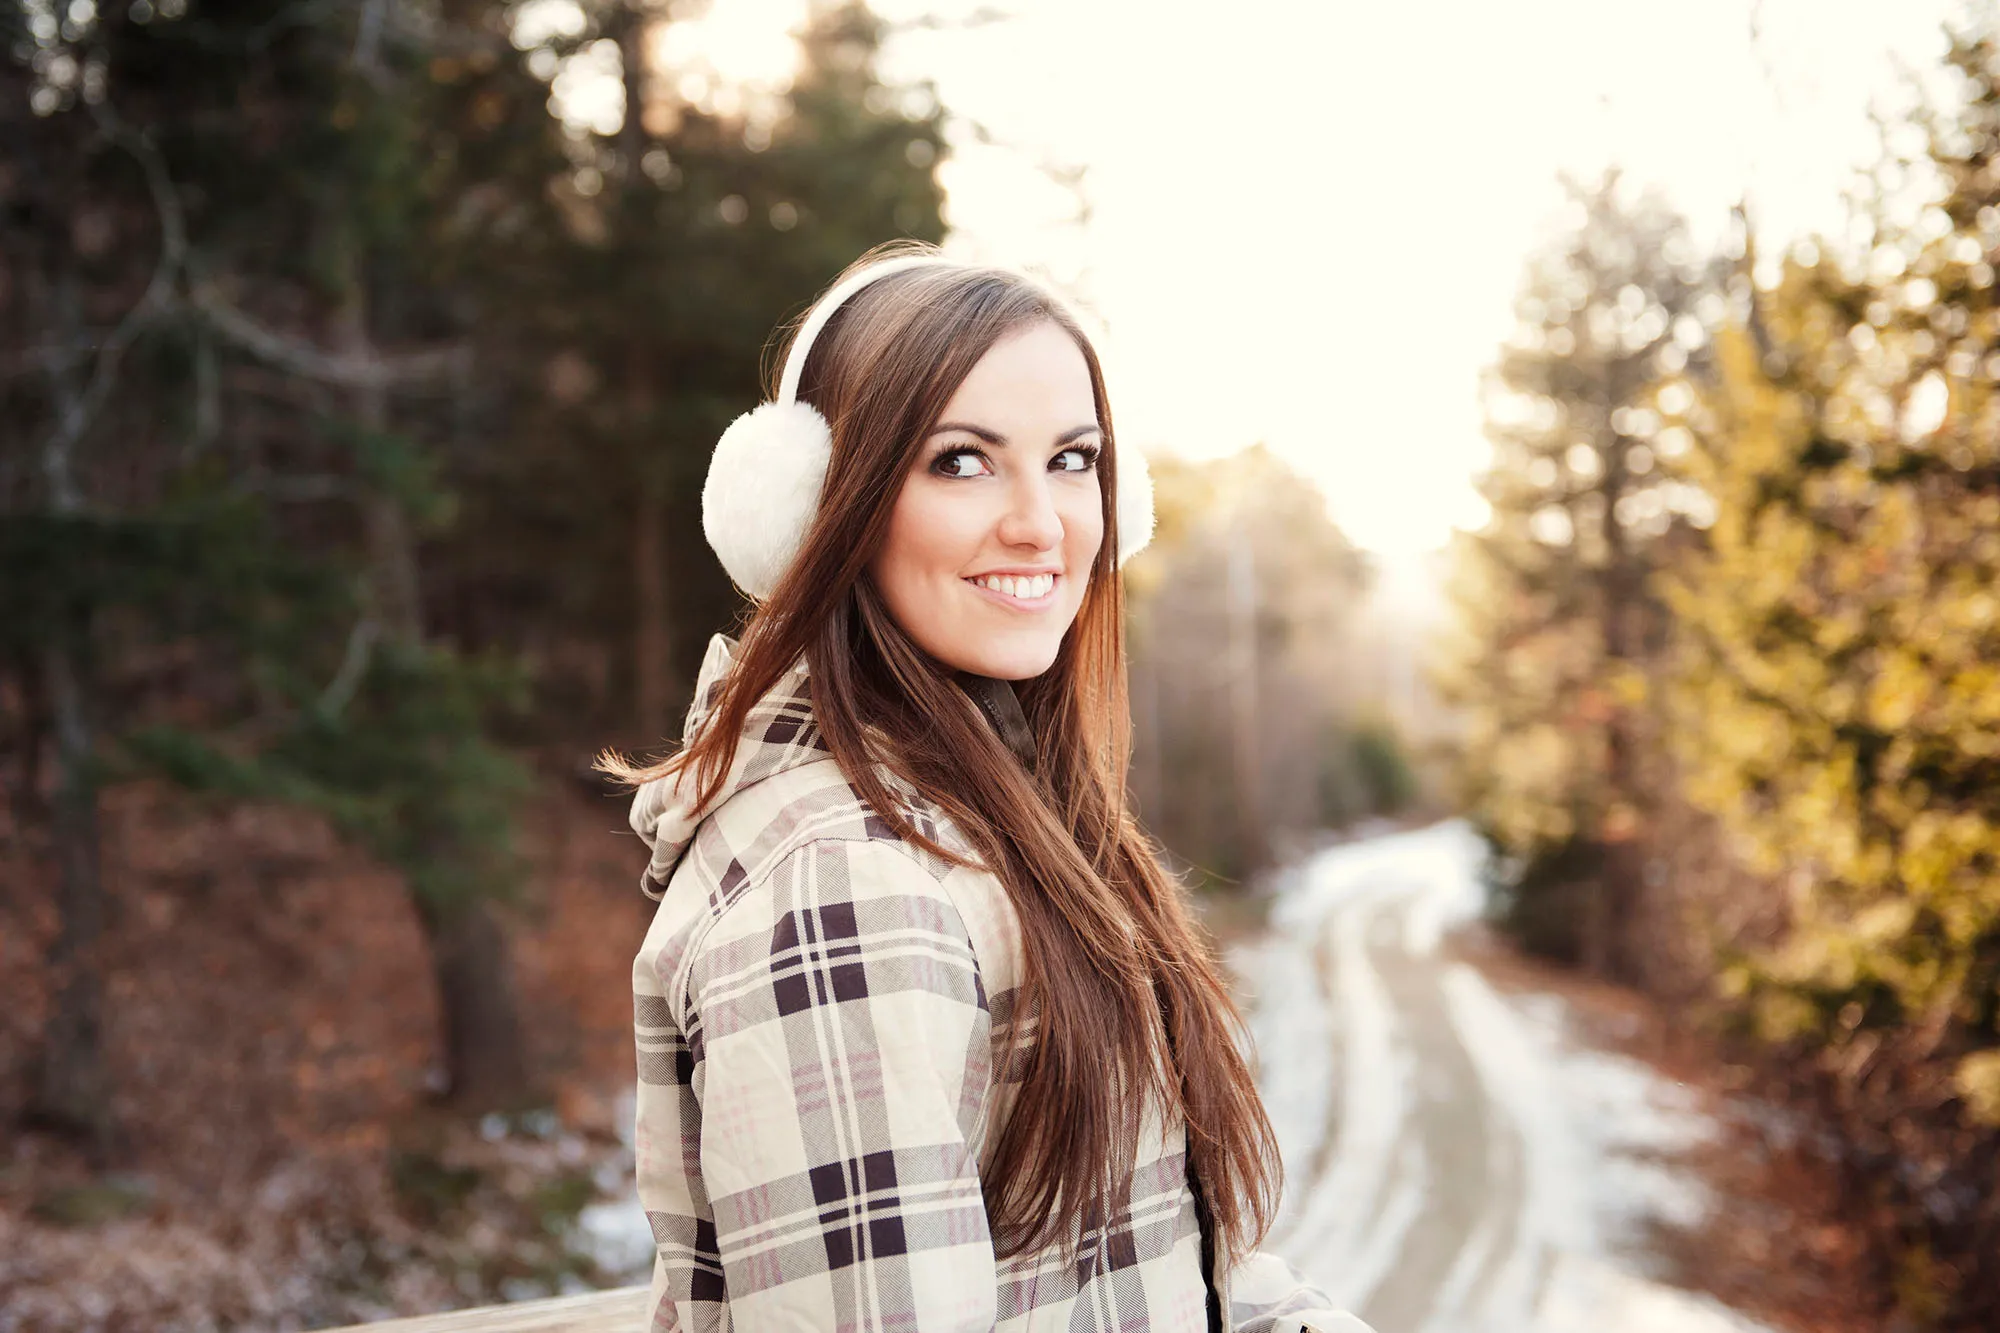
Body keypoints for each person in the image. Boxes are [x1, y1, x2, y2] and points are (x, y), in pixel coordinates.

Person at [603, 242, 1372, 1333]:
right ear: (818, 504)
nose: (1040, 522)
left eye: (1072, 460)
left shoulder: (987, 815)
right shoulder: (844, 892)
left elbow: (1131, 1265)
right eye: (960, 462)